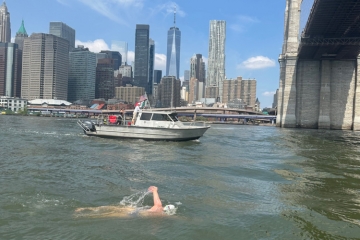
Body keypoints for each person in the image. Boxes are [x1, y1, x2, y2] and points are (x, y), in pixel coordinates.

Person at [74, 186, 175, 218]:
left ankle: (85, 208)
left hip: (134, 209)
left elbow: (157, 201)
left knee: (110, 208)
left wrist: (155, 190)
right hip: (134, 213)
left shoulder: (158, 206)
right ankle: (84, 216)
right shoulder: (160, 212)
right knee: (107, 215)